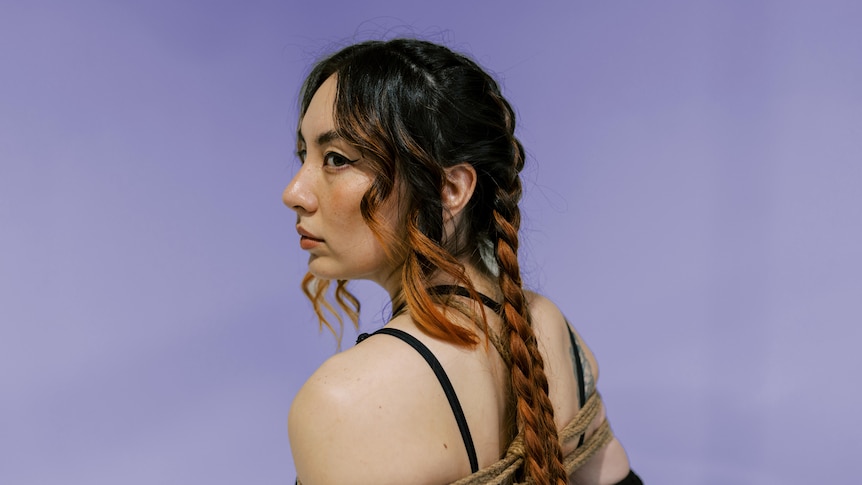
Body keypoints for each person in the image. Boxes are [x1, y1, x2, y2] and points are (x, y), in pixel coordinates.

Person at [283, 38, 642, 485]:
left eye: (335, 159)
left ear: (450, 190)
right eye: (304, 156)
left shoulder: (342, 401)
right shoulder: (548, 330)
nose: (293, 193)